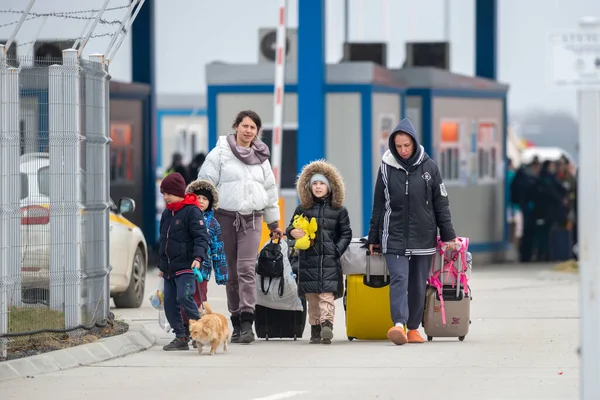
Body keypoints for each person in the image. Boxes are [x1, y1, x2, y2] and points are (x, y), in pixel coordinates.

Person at [367, 118, 459, 346]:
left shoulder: (430, 167)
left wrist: (448, 235)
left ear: (415, 143)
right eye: (398, 146)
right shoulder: (386, 168)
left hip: (423, 236)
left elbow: (441, 204)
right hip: (394, 234)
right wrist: (374, 237)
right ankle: (399, 324)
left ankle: (414, 329)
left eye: (407, 145)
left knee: (418, 283)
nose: (403, 150)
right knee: (399, 277)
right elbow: (379, 204)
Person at [198, 110, 283, 344]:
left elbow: (269, 191)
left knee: (246, 269)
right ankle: (235, 321)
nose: (248, 130)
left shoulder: (262, 158)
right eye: (244, 126)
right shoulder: (219, 154)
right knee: (232, 273)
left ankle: (247, 323)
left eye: (253, 127)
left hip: (252, 220)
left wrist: (273, 222)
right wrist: (201, 216)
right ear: (236, 127)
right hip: (224, 218)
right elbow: (204, 185)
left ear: (257, 132)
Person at [286, 160, 352, 344]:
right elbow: (290, 227)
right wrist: (292, 232)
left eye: (322, 183)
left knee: (327, 295)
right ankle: (315, 328)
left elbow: (346, 233)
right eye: (314, 183)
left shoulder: (339, 210)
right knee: (313, 298)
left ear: (330, 186)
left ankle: (327, 326)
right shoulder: (303, 209)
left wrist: (336, 250)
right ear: (308, 186)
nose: (318, 187)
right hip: (308, 261)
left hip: (330, 260)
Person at [157, 172, 211, 351]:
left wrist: (198, 258)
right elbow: (163, 240)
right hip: (169, 269)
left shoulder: (192, 211)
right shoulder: (167, 213)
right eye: (163, 194)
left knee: (184, 297)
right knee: (170, 303)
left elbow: (201, 238)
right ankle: (180, 337)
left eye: (168, 193)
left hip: (187, 267)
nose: (165, 197)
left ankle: (201, 331)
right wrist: (162, 265)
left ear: (178, 192)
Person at [180, 178, 229, 348]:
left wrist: (221, 273)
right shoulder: (184, 216)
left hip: (204, 269)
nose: (200, 201)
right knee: (184, 298)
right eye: (197, 197)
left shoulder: (213, 223)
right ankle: (186, 330)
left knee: (199, 299)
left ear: (211, 202)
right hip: (184, 266)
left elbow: (218, 248)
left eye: (205, 199)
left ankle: (200, 331)